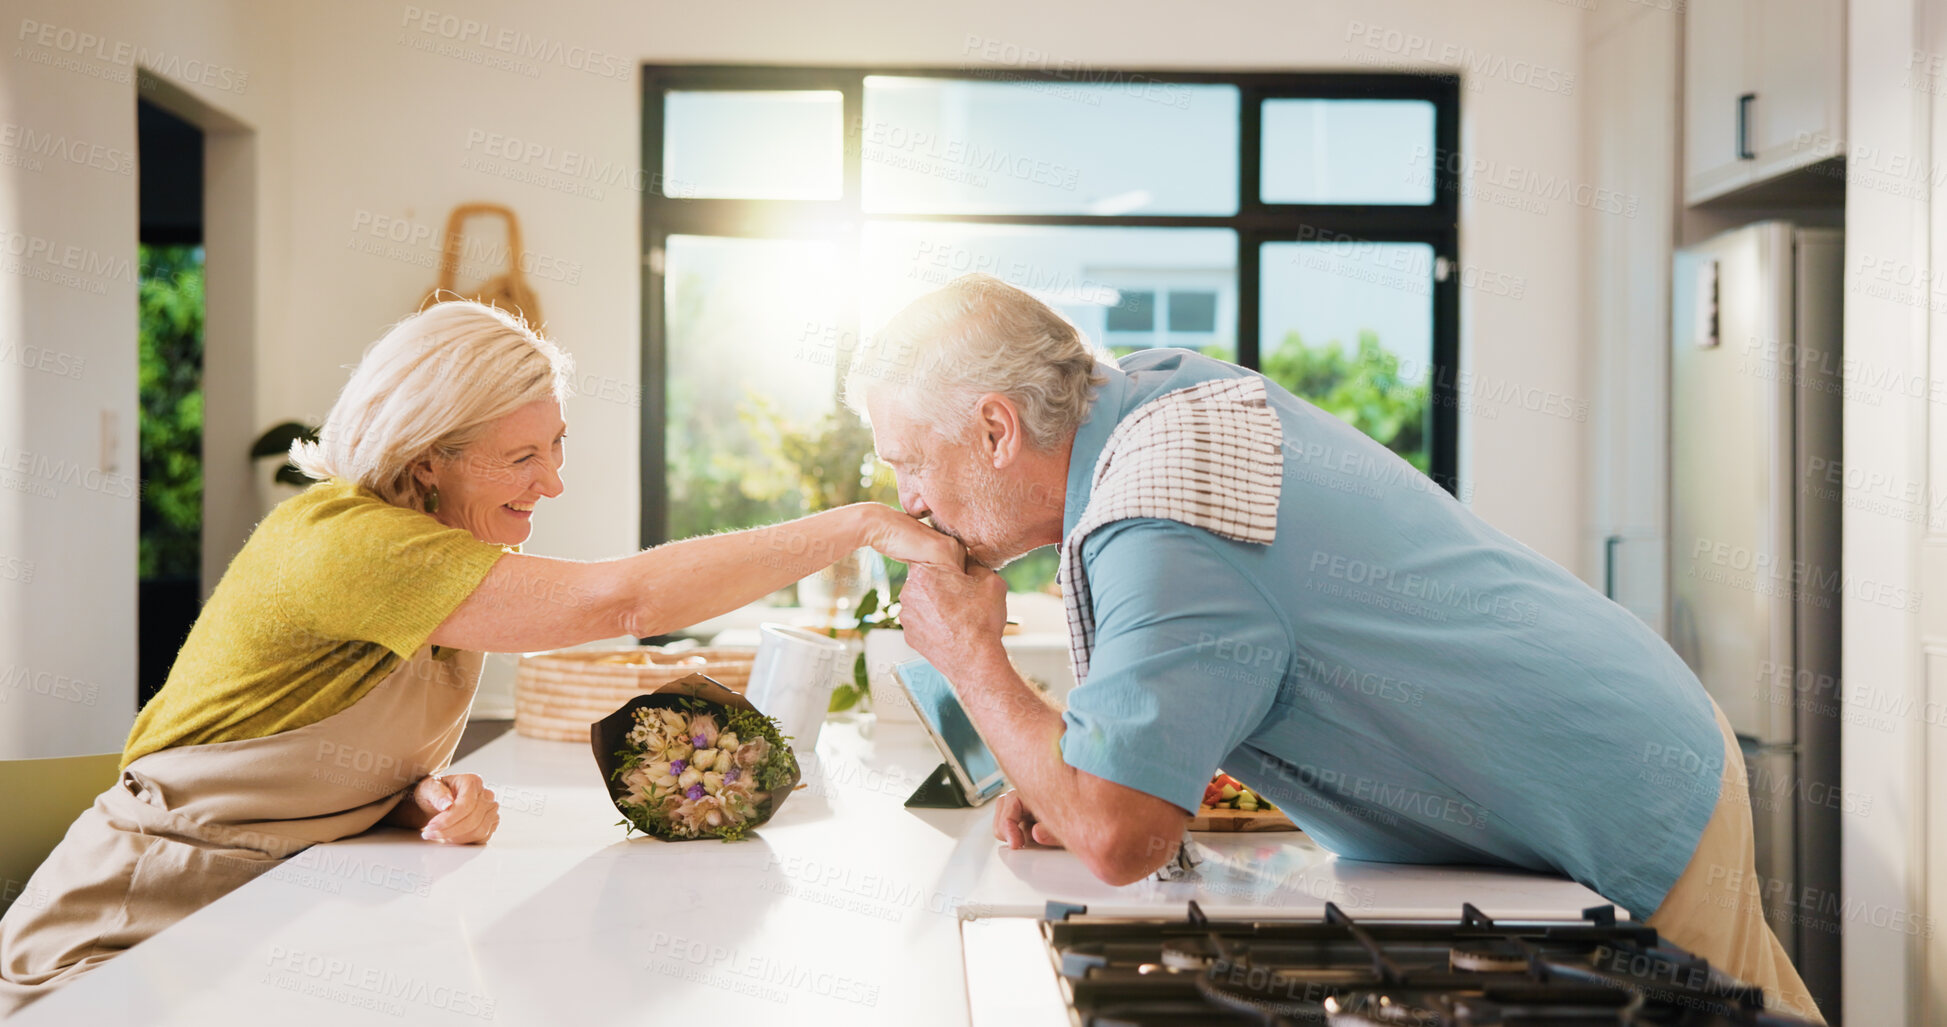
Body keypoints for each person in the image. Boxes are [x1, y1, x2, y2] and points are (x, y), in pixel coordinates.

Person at [847, 274, 1824, 1023]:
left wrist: (969, 656)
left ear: (993, 430)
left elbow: (1118, 835)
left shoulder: (1158, 512)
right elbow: (1153, 725)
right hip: (1616, 752)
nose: (911, 503)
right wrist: (1074, 764)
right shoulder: (1153, 409)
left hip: (1620, 794)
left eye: (909, 462)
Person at [0, 300, 958, 1015]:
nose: (553, 480)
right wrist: (859, 524)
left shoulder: (437, 558)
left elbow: (296, 742)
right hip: (121, 946)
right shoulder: (349, 541)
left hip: (256, 920)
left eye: (556, 446)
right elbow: (617, 600)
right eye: (521, 457)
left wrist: (409, 793)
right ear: (427, 458)